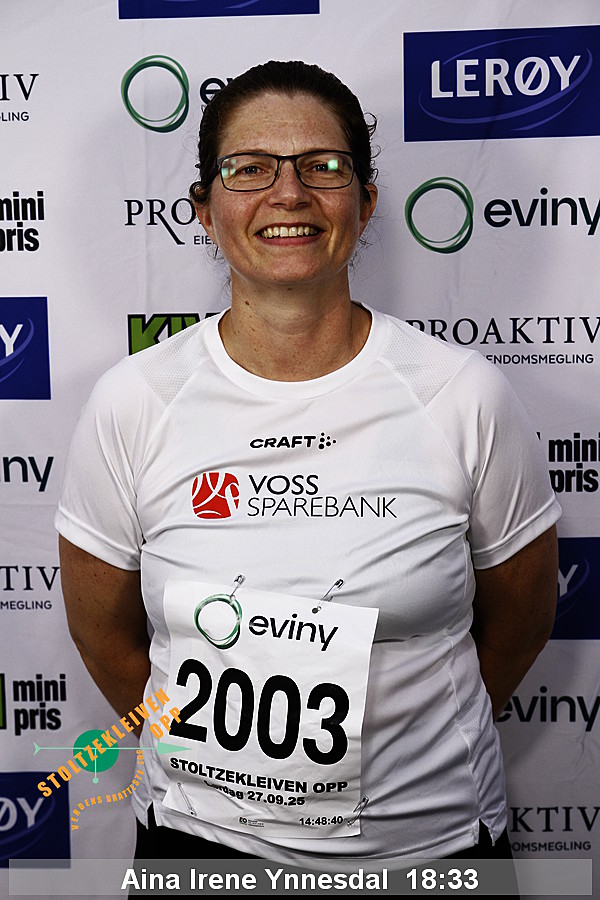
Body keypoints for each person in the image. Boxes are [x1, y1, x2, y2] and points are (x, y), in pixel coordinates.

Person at [56, 60, 560, 872]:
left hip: (428, 852)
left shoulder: (461, 394)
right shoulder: (135, 401)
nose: (288, 194)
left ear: (365, 201)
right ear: (205, 209)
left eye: (323, 167)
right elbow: (105, 636)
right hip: (203, 848)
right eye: (249, 169)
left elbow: (521, 621)